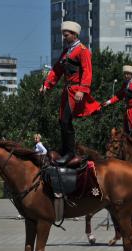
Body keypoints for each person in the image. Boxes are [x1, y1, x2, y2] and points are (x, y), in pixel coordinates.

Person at [40, 20, 100, 164]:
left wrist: (82, 90)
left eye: (66, 35)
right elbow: (56, 70)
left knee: (66, 120)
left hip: (75, 91)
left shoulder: (83, 50)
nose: (64, 37)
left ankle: (70, 153)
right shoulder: (67, 51)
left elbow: (87, 71)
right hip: (67, 91)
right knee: (62, 120)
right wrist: (46, 85)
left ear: (74, 34)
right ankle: (66, 149)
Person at [101, 65, 132, 133]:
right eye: (125, 73)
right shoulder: (125, 84)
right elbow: (119, 96)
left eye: (128, 74)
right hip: (127, 110)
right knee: (126, 131)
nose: (126, 75)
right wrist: (108, 102)